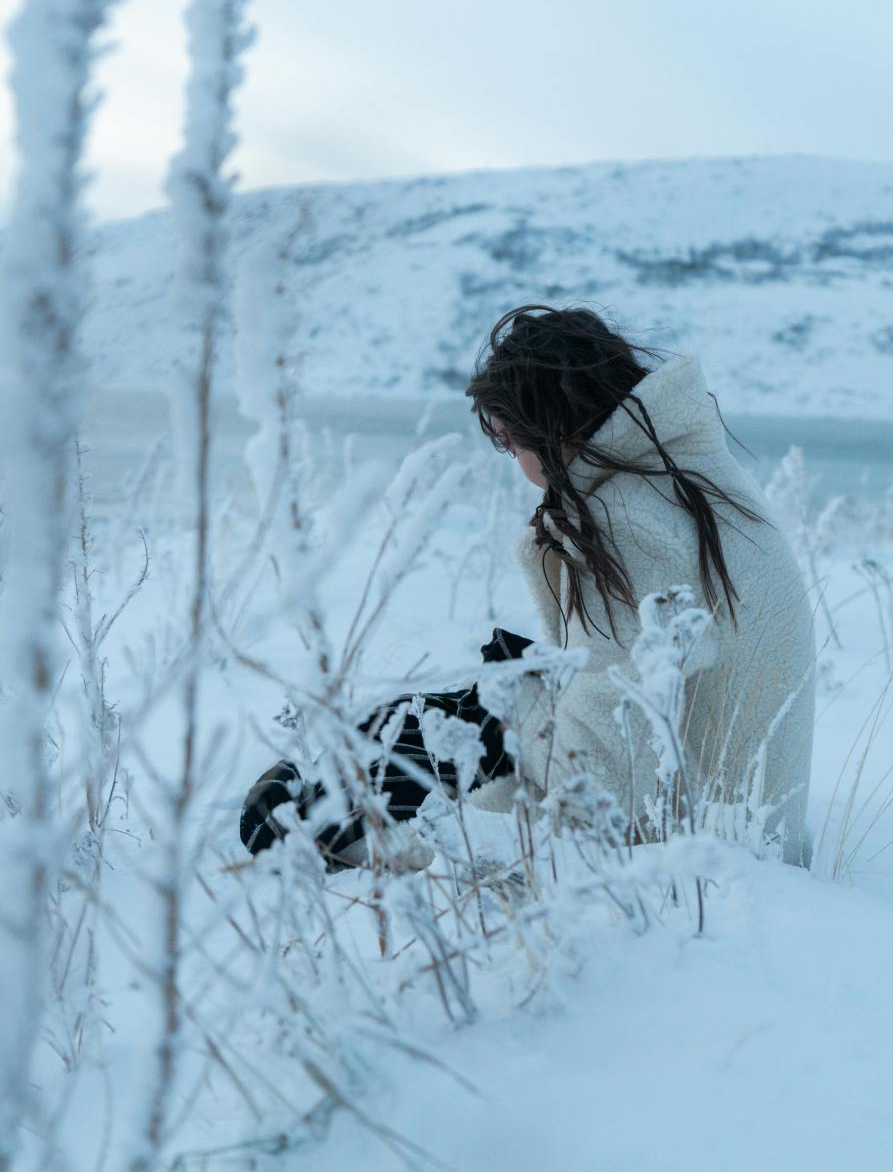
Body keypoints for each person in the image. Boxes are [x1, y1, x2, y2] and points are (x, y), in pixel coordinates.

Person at [241, 303, 817, 869]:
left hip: (696, 861)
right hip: (736, 828)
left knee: (406, 752)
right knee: (438, 718)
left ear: (551, 428)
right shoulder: (691, 476)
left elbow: (604, 786)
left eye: (510, 442)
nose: (514, 461)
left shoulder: (630, 518)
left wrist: (503, 709)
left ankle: (318, 827)